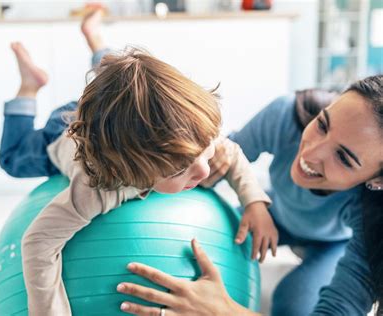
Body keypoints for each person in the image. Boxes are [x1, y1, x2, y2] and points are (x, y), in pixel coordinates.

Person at [0, 10, 277, 315]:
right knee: (12, 158)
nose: (206, 171)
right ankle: (29, 86)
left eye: (206, 151)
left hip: (114, 112)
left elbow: (231, 153)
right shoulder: (94, 189)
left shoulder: (192, 137)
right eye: (181, 170)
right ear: (130, 173)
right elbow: (38, 243)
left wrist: (254, 202)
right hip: (62, 129)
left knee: (113, 77)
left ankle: (96, 39)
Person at [115, 76, 383, 316]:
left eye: (343, 158)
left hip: (330, 243)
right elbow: (221, 157)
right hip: (275, 212)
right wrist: (254, 201)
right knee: (189, 252)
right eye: (323, 125)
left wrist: (223, 311)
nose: (311, 154)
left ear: (377, 181)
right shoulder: (287, 114)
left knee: (293, 307)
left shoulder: (372, 221)